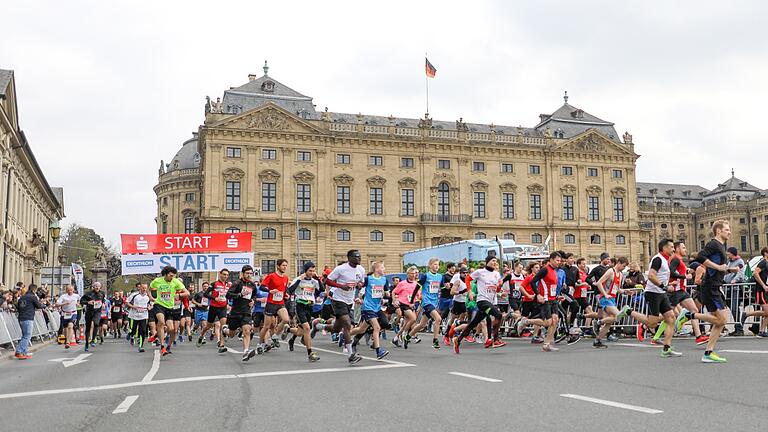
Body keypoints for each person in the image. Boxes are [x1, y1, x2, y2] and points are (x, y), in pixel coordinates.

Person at [676, 220, 732, 363]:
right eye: (726, 229)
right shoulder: (714, 243)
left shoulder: (720, 245)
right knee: (722, 320)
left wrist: (727, 269)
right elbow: (700, 256)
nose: (729, 231)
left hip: (715, 286)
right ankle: (689, 315)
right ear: (718, 231)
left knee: (720, 322)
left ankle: (708, 353)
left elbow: (716, 267)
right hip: (710, 287)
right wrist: (718, 268)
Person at [651, 241, 708, 345]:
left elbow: (676, 271)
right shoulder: (676, 259)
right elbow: (671, 271)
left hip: (681, 290)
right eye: (684, 247)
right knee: (668, 316)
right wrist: (684, 276)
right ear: (678, 249)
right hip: (675, 291)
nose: (686, 249)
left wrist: (687, 271)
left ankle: (698, 336)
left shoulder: (679, 260)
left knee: (694, 310)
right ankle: (647, 326)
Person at [314, 250, 365, 364]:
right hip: (338, 299)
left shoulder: (361, 269)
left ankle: (319, 326)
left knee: (337, 328)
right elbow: (327, 281)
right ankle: (350, 354)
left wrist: (361, 284)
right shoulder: (341, 268)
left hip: (349, 300)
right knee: (347, 324)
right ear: (349, 258)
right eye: (356, 257)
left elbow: (362, 282)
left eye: (360, 257)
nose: (359, 259)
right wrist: (341, 286)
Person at [452, 255, 505, 354]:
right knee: (499, 315)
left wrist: (500, 287)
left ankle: (458, 340)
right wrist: (470, 291)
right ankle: (495, 339)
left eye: (496, 261)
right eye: (493, 261)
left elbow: (496, 289)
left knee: (473, 324)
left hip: (491, 301)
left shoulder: (497, 274)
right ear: (488, 261)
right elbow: (468, 279)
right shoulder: (480, 272)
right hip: (482, 301)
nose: (495, 263)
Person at [591, 257, 635, 350]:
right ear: (618, 263)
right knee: (618, 315)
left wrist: (625, 292)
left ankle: (597, 340)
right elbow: (599, 283)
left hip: (612, 299)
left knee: (610, 322)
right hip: (605, 299)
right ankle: (599, 322)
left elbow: (617, 289)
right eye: (623, 266)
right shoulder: (610, 271)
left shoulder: (620, 275)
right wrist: (605, 294)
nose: (624, 268)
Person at [350, 262, 390, 360]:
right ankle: (378, 351)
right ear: (376, 269)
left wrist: (386, 296)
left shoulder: (384, 280)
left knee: (361, 329)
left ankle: (345, 335)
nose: (384, 269)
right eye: (382, 267)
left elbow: (386, 293)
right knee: (376, 327)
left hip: (377, 308)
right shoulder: (368, 279)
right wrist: (358, 298)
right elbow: (360, 289)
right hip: (368, 307)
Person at [149, 266, 189, 356]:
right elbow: (149, 289)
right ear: (166, 274)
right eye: (171, 276)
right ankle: (162, 347)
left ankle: (156, 335)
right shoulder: (157, 281)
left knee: (171, 329)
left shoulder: (176, 282)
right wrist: (151, 297)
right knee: (162, 322)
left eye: (173, 276)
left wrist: (180, 295)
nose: (172, 278)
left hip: (170, 307)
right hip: (159, 305)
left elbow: (187, 293)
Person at [286, 261, 322, 362]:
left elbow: (321, 290)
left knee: (301, 331)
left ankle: (289, 334)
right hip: (300, 306)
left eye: (313, 271)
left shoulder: (314, 281)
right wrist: (299, 280)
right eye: (310, 271)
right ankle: (310, 353)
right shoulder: (298, 279)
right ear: (305, 271)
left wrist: (318, 279)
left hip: (310, 306)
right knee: (307, 328)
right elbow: (290, 290)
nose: (312, 273)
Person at [406, 258, 444, 350]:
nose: (436, 266)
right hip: (426, 302)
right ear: (430, 265)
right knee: (438, 319)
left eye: (438, 265)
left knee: (422, 325)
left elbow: (442, 289)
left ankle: (407, 337)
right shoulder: (426, 276)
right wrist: (411, 301)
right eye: (434, 264)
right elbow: (416, 288)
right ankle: (435, 341)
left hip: (434, 302)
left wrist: (447, 287)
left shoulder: (440, 276)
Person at [257, 259, 291, 355]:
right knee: (267, 326)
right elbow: (262, 287)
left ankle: (275, 335)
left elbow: (284, 290)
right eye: (283, 265)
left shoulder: (285, 278)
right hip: (271, 303)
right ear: (278, 266)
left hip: (280, 303)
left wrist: (286, 295)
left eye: (286, 265)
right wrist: (270, 291)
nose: (285, 267)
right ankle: (260, 344)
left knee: (286, 319)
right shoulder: (271, 276)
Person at [226, 265, 258, 361]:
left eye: (250, 273)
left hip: (246, 312)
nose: (249, 275)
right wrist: (239, 294)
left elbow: (254, 296)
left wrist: (253, 301)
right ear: (242, 273)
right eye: (247, 273)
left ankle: (246, 352)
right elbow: (228, 295)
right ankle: (225, 330)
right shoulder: (237, 283)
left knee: (247, 331)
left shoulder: (252, 285)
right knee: (231, 334)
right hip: (235, 312)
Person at [198, 269, 231, 353]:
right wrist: (214, 298)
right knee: (208, 326)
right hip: (213, 307)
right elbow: (205, 294)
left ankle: (221, 345)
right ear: (220, 274)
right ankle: (201, 336)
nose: (225, 276)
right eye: (224, 274)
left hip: (223, 308)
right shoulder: (214, 284)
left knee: (223, 326)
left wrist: (228, 304)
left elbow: (229, 295)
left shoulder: (228, 285)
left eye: (227, 275)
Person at [739, 247, 768, 336]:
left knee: (767, 313)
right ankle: (747, 314)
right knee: (767, 312)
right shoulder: (763, 262)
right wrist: (763, 285)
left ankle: (762, 331)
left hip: (766, 289)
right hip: (761, 290)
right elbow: (755, 273)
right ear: (766, 253)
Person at [391, 266, 419, 349]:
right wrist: (394, 300)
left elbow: (417, 295)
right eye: (411, 273)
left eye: (414, 273)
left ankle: (395, 338)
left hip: (411, 305)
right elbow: (394, 292)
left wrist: (415, 301)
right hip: (403, 304)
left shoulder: (416, 284)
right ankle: (405, 334)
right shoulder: (402, 283)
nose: (413, 275)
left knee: (406, 323)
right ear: (407, 274)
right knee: (413, 319)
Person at [14, 283, 43, 359]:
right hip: (28, 318)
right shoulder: (33, 297)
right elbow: (39, 306)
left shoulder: (22, 297)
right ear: (34, 290)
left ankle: (24, 352)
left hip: (21, 317)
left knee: (25, 335)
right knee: (27, 336)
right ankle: (19, 351)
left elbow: (18, 307)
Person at [80, 282, 106, 352]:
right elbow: (81, 301)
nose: (97, 288)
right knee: (88, 328)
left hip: (97, 311)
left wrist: (103, 304)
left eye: (98, 286)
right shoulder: (88, 293)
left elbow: (103, 300)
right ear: (93, 287)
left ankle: (93, 339)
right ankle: (86, 344)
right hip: (89, 311)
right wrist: (87, 302)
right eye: (96, 286)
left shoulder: (102, 293)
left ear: (100, 287)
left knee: (96, 323)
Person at [126, 283, 151, 352]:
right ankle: (130, 334)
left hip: (144, 315)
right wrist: (133, 306)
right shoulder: (134, 295)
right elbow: (127, 302)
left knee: (142, 330)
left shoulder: (148, 296)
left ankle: (141, 346)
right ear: (140, 288)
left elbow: (151, 304)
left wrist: (149, 307)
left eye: (146, 288)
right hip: (134, 316)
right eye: (143, 288)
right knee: (134, 330)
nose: (144, 290)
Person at [56, 284, 80, 349]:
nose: (70, 291)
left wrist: (78, 304)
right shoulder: (63, 296)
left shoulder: (76, 296)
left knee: (70, 326)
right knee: (65, 328)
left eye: (71, 290)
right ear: (66, 290)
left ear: (73, 290)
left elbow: (80, 302)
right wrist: (65, 303)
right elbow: (57, 304)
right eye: (68, 290)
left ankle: (68, 342)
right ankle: (67, 340)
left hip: (73, 313)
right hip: (64, 314)